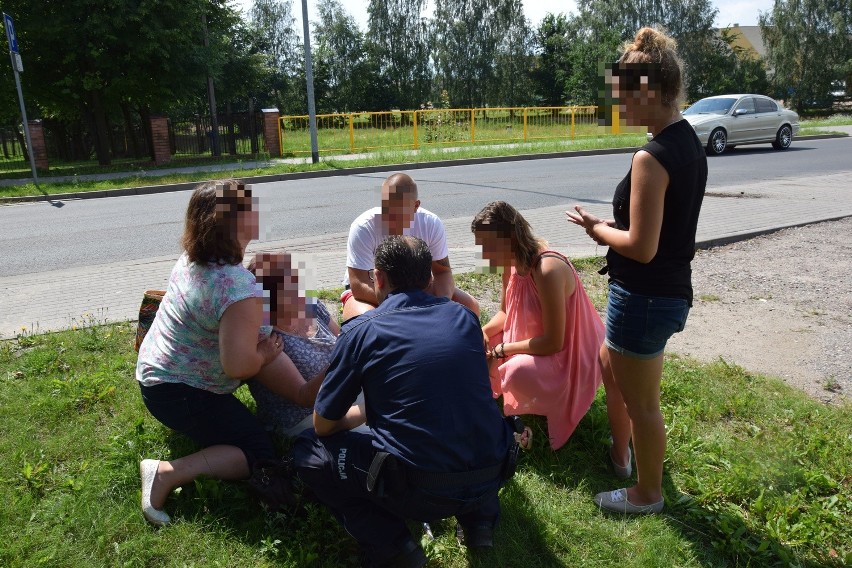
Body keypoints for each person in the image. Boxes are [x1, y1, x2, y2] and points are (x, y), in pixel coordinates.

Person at [294, 235, 515, 568]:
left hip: (417, 488)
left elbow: (323, 425)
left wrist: (366, 412)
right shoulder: (465, 319)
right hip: (490, 472)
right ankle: (479, 522)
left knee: (309, 451)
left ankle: (394, 546)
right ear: (429, 277)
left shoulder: (362, 331)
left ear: (378, 279)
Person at [566, 27, 707, 514]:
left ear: (647, 91)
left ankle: (647, 492)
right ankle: (622, 454)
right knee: (611, 364)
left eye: (623, 99)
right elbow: (657, 230)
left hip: (645, 294)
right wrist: (613, 226)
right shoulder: (686, 140)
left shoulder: (650, 157)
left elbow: (642, 248)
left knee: (644, 406)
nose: (618, 109)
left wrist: (598, 230)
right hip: (664, 292)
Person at [135, 181, 322, 526]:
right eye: (250, 208)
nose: (258, 212)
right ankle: (165, 473)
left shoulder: (194, 259)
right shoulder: (238, 289)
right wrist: (263, 354)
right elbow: (237, 365)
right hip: (180, 392)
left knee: (248, 440)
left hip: (157, 372)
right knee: (256, 453)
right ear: (235, 224)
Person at [473, 201, 606, 450]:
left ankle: (531, 411)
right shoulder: (509, 264)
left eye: (487, 246)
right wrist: (481, 332)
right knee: (478, 346)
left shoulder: (547, 268)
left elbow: (555, 341)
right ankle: (513, 410)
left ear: (509, 238)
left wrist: (502, 349)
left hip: (570, 355)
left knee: (514, 370)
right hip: (536, 342)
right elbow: (505, 312)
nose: (484, 255)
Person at [247, 252, 365, 438]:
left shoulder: (310, 305)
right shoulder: (266, 340)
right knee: (379, 425)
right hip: (308, 418)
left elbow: (343, 340)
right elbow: (304, 397)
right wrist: (344, 360)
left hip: (344, 393)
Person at [340, 172, 479, 321]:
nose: (390, 216)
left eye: (398, 209)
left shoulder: (430, 224)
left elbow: (442, 273)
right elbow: (359, 284)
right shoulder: (363, 227)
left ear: (416, 206)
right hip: (375, 290)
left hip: (419, 288)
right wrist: (404, 304)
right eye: (386, 206)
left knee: (470, 306)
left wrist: (439, 303)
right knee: (364, 319)